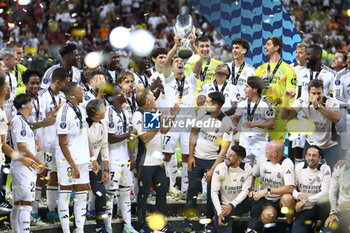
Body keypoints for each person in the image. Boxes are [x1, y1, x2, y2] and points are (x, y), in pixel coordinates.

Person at [132, 88, 179, 232]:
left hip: (157, 162)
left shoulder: (153, 112)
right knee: (143, 193)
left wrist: (172, 116)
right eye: (153, 96)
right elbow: (145, 138)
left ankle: (160, 224)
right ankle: (141, 224)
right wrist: (158, 122)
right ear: (147, 101)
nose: (155, 98)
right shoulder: (137, 115)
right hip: (145, 161)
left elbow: (163, 130)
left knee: (162, 190)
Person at [185, 92, 233, 232]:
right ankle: (189, 222)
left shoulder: (226, 123)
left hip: (214, 161)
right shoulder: (201, 113)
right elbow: (193, 133)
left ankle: (209, 222)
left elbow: (224, 149)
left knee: (213, 194)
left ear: (216, 105)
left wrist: (213, 169)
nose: (204, 104)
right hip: (197, 159)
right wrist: (191, 156)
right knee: (192, 189)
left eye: (208, 102)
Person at [159, 50, 201, 198]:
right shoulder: (168, 79)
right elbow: (164, 64)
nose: (180, 63)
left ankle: (184, 189)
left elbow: (199, 63)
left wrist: (194, 47)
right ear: (171, 67)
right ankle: (168, 186)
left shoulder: (191, 79)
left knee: (186, 156)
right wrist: (176, 45)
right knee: (167, 155)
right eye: (176, 62)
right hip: (171, 122)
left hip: (187, 123)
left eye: (181, 62)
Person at [56, 82, 93, 233]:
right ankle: (66, 230)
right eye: (81, 91)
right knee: (65, 196)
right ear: (74, 94)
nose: (83, 93)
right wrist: (72, 164)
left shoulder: (81, 110)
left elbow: (84, 135)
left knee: (82, 196)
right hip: (68, 161)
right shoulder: (64, 112)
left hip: (82, 160)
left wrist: (91, 158)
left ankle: (79, 230)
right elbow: (62, 141)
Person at [280, 79, 341, 169]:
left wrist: (318, 107)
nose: (316, 96)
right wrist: (286, 99)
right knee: (306, 171)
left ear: (323, 92)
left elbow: (336, 118)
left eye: (319, 93)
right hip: (312, 142)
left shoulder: (331, 102)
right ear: (308, 93)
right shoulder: (303, 101)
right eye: (313, 93)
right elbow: (284, 116)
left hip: (330, 144)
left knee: (335, 173)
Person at [21, 69, 56, 226]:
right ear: (25, 84)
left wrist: (51, 115)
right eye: (32, 83)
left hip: (40, 143)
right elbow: (22, 123)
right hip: (27, 145)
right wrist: (43, 123)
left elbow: (41, 119)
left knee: (41, 176)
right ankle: (27, 216)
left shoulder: (40, 98)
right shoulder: (22, 100)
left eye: (37, 83)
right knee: (30, 180)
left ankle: (34, 212)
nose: (35, 86)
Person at [9, 94, 45, 233]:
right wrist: (38, 162)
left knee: (18, 204)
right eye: (31, 103)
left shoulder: (21, 121)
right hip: (23, 168)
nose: (32, 106)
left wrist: (35, 142)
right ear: (26, 105)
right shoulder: (19, 120)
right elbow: (22, 148)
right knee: (26, 204)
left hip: (21, 167)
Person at [0, 76, 36, 213]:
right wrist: (23, 159)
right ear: (4, 90)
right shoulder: (2, 115)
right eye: (9, 86)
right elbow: (3, 145)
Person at [104, 87, 138, 233]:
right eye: (121, 93)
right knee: (110, 196)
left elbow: (130, 136)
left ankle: (128, 226)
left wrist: (132, 155)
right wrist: (128, 134)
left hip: (125, 159)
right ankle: (108, 227)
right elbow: (110, 138)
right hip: (113, 160)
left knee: (125, 193)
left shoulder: (125, 111)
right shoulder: (108, 112)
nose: (125, 94)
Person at [38, 67, 70, 223]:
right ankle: (34, 210)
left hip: (59, 143)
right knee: (41, 174)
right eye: (65, 83)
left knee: (55, 175)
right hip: (45, 142)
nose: (67, 86)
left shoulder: (64, 96)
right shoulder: (42, 96)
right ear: (58, 81)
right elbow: (38, 117)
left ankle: (51, 210)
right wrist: (50, 114)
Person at [246, 141, 295, 233]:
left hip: (282, 201)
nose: (265, 150)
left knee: (287, 198)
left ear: (274, 154)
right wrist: (251, 189)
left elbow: (290, 188)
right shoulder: (262, 159)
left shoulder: (287, 164)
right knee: (268, 216)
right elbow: (252, 175)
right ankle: (263, 228)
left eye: (267, 149)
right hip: (268, 201)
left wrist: (268, 190)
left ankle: (289, 226)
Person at [254, 36, 296, 142]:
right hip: (260, 113)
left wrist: (278, 100)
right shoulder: (260, 69)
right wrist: (259, 87)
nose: (264, 46)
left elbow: (291, 95)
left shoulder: (289, 69)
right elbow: (251, 91)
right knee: (256, 146)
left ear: (276, 47)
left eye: (268, 44)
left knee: (276, 147)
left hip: (278, 114)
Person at [233, 76, 275, 165]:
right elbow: (236, 119)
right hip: (244, 143)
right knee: (244, 171)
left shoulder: (267, 104)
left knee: (262, 173)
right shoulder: (242, 103)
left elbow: (271, 125)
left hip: (260, 144)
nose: (244, 89)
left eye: (247, 86)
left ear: (255, 89)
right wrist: (234, 127)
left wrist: (255, 124)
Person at [211, 145, 253, 233]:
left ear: (239, 160)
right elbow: (214, 192)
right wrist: (219, 212)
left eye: (231, 156)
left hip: (239, 205)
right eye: (228, 154)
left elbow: (245, 191)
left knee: (257, 197)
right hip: (224, 208)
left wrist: (232, 204)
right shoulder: (220, 168)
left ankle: (252, 228)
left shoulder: (247, 168)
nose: (227, 157)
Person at [292, 145, 331, 233]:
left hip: (320, 207)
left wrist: (304, 201)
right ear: (305, 157)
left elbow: (325, 192)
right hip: (305, 208)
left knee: (325, 201)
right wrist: (298, 195)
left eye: (314, 155)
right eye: (309, 155)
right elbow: (291, 188)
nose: (311, 158)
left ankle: (323, 229)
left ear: (319, 158)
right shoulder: (299, 167)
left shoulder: (325, 168)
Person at [86, 99, 110, 233]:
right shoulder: (85, 125)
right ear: (96, 113)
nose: (105, 109)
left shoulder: (103, 123)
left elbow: (104, 145)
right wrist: (92, 160)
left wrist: (106, 168)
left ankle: (100, 226)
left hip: (95, 167)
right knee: (81, 196)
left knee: (101, 194)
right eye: (103, 108)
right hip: (83, 167)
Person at [331, 51, 350, 158]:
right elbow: (336, 98)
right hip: (344, 117)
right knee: (344, 149)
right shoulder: (340, 75)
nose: (333, 59)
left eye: (338, 58)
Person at [324, 156, 350, 233]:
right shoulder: (339, 168)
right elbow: (332, 192)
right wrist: (333, 212)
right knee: (329, 229)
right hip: (342, 212)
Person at [0, 47, 17, 118]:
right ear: (7, 59)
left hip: (10, 117)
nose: (17, 62)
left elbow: (13, 96)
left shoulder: (13, 76)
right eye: (15, 59)